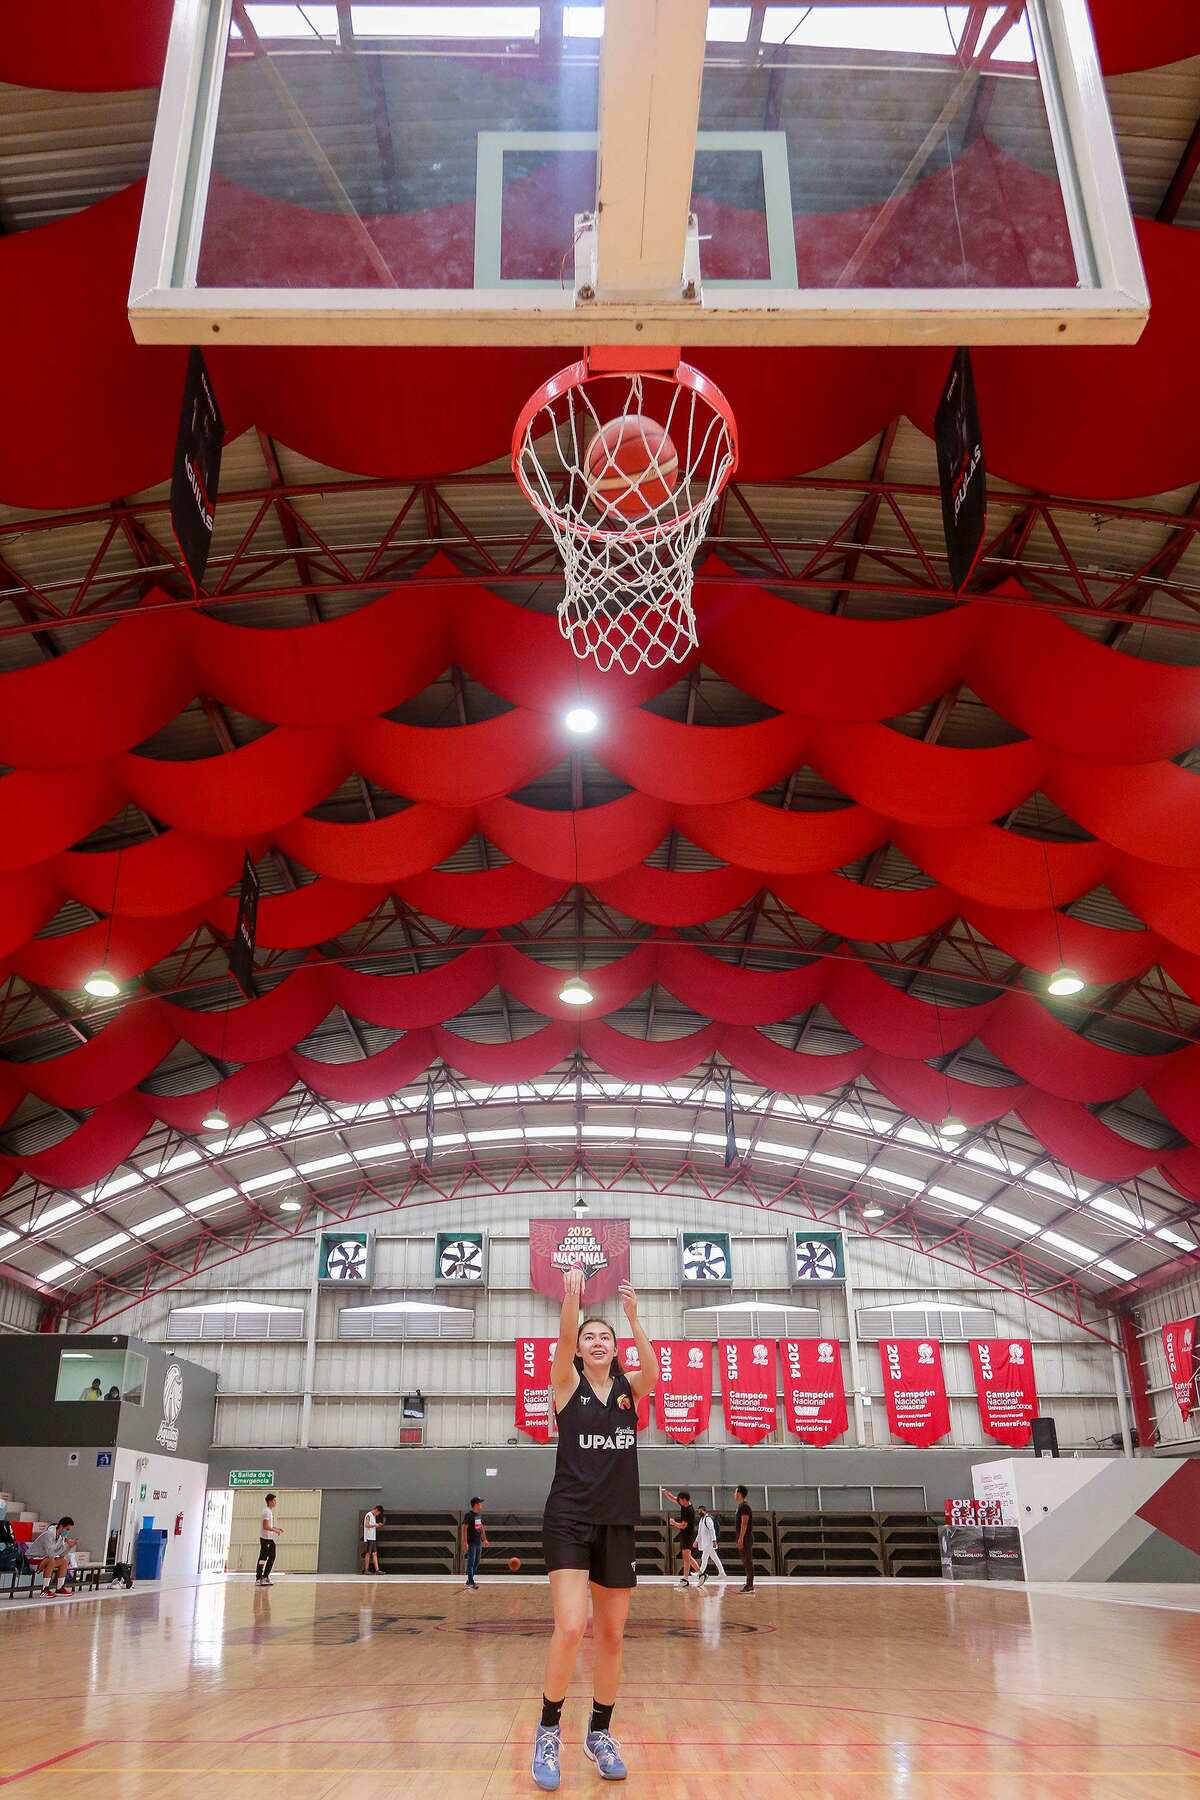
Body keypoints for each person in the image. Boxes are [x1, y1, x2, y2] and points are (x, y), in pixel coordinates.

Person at [532, 1266, 658, 1790]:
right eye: (590, 1337)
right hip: (568, 1518)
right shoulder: (565, 1385)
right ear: (580, 1350)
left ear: (615, 1346)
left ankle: (599, 1733)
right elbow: (564, 1336)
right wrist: (571, 1298)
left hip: (617, 1520)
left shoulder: (630, 1389)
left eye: (605, 1337)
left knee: (610, 1634)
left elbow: (653, 1371)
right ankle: (546, 1731)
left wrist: (632, 1317)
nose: (597, 1342)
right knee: (570, 1626)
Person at [26, 1518, 76, 1595]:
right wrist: (66, 1545)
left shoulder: (61, 1537)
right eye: (67, 1529)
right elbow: (50, 1553)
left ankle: (60, 1588)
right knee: (51, 1559)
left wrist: (69, 1547)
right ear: (61, 1526)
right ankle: (45, 1590)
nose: (67, 1532)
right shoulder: (48, 1534)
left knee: (63, 1561)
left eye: (69, 1530)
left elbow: (61, 1555)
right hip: (32, 1559)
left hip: (45, 1559)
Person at [662, 1487, 697, 1587]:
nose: (679, 1502)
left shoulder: (689, 1510)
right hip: (684, 1534)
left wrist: (673, 1523)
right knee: (687, 1557)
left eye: (680, 1500)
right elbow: (673, 1498)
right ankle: (699, 1574)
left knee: (687, 1558)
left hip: (688, 1534)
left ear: (685, 1500)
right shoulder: (683, 1503)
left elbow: (683, 1525)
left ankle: (687, 1578)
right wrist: (666, 1493)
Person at [694, 1505, 726, 1585]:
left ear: (704, 1510)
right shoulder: (702, 1520)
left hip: (708, 1543)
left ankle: (700, 1573)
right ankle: (722, 1573)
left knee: (704, 1558)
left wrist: (714, 1540)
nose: (699, 1512)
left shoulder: (707, 1519)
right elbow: (699, 1532)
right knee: (713, 1558)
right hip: (706, 1543)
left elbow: (712, 1530)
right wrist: (696, 1541)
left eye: (700, 1511)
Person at [256, 1493, 283, 1586]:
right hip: (265, 1539)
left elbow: (269, 1525)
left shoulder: (269, 1511)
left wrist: (276, 1528)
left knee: (272, 1557)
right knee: (263, 1558)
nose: (275, 1502)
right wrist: (275, 1531)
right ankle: (259, 1578)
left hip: (269, 1539)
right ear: (270, 1501)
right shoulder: (266, 1512)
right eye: (274, 1500)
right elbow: (265, 1526)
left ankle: (265, 1576)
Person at [462, 1496, 489, 1589]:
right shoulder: (468, 1515)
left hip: (478, 1543)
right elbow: (464, 1528)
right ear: (476, 1504)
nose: (481, 1505)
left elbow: (481, 1528)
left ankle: (469, 1580)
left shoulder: (478, 1515)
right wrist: (465, 1542)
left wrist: (484, 1539)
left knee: (476, 1562)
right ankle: (471, 1582)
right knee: (471, 1562)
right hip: (472, 1543)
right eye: (480, 1503)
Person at [734, 1486, 755, 1594]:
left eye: (735, 1492)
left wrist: (741, 1538)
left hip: (745, 1537)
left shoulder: (745, 1507)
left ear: (739, 1493)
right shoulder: (741, 1506)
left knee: (748, 1560)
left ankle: (750, 1585)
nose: (734, 1494)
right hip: (742, 1536)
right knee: (745, 1560)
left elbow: (744, 1523)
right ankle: (748, 1582)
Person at [361, 1504, 383, 1575]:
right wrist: (375, 1525)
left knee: (374, 1553)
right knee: (368, 1553)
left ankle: (377, 1570)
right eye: (378, 1513)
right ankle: (366, 1569)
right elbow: (366, 1525)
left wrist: (377, 1525)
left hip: (373, 1537)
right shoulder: (368, 1515)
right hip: (369, 1537)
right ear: (376, 1510)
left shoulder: (373, 1516)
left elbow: (371, 1526)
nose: (377, 1514)